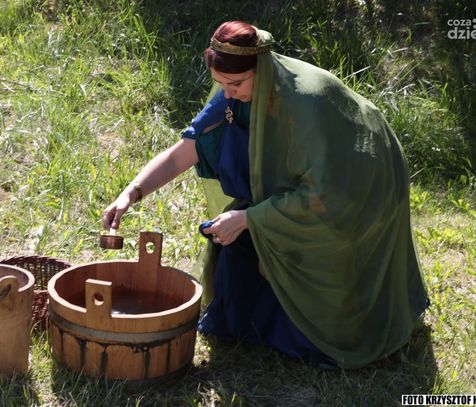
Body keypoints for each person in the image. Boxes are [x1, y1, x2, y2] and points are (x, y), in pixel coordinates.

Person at [102, 21, 429, 368]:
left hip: (359, 189)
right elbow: (183, 153)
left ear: (262, 68)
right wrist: (131, 193)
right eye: (220, 84)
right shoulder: (234, 96)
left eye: (236, 84)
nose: (227, 94)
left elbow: (325, 194)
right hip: (307, 190)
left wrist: (249, 218)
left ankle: (325, 324)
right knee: (239, 242)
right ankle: (260, 318)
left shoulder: (303, 104)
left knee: (267, 235)